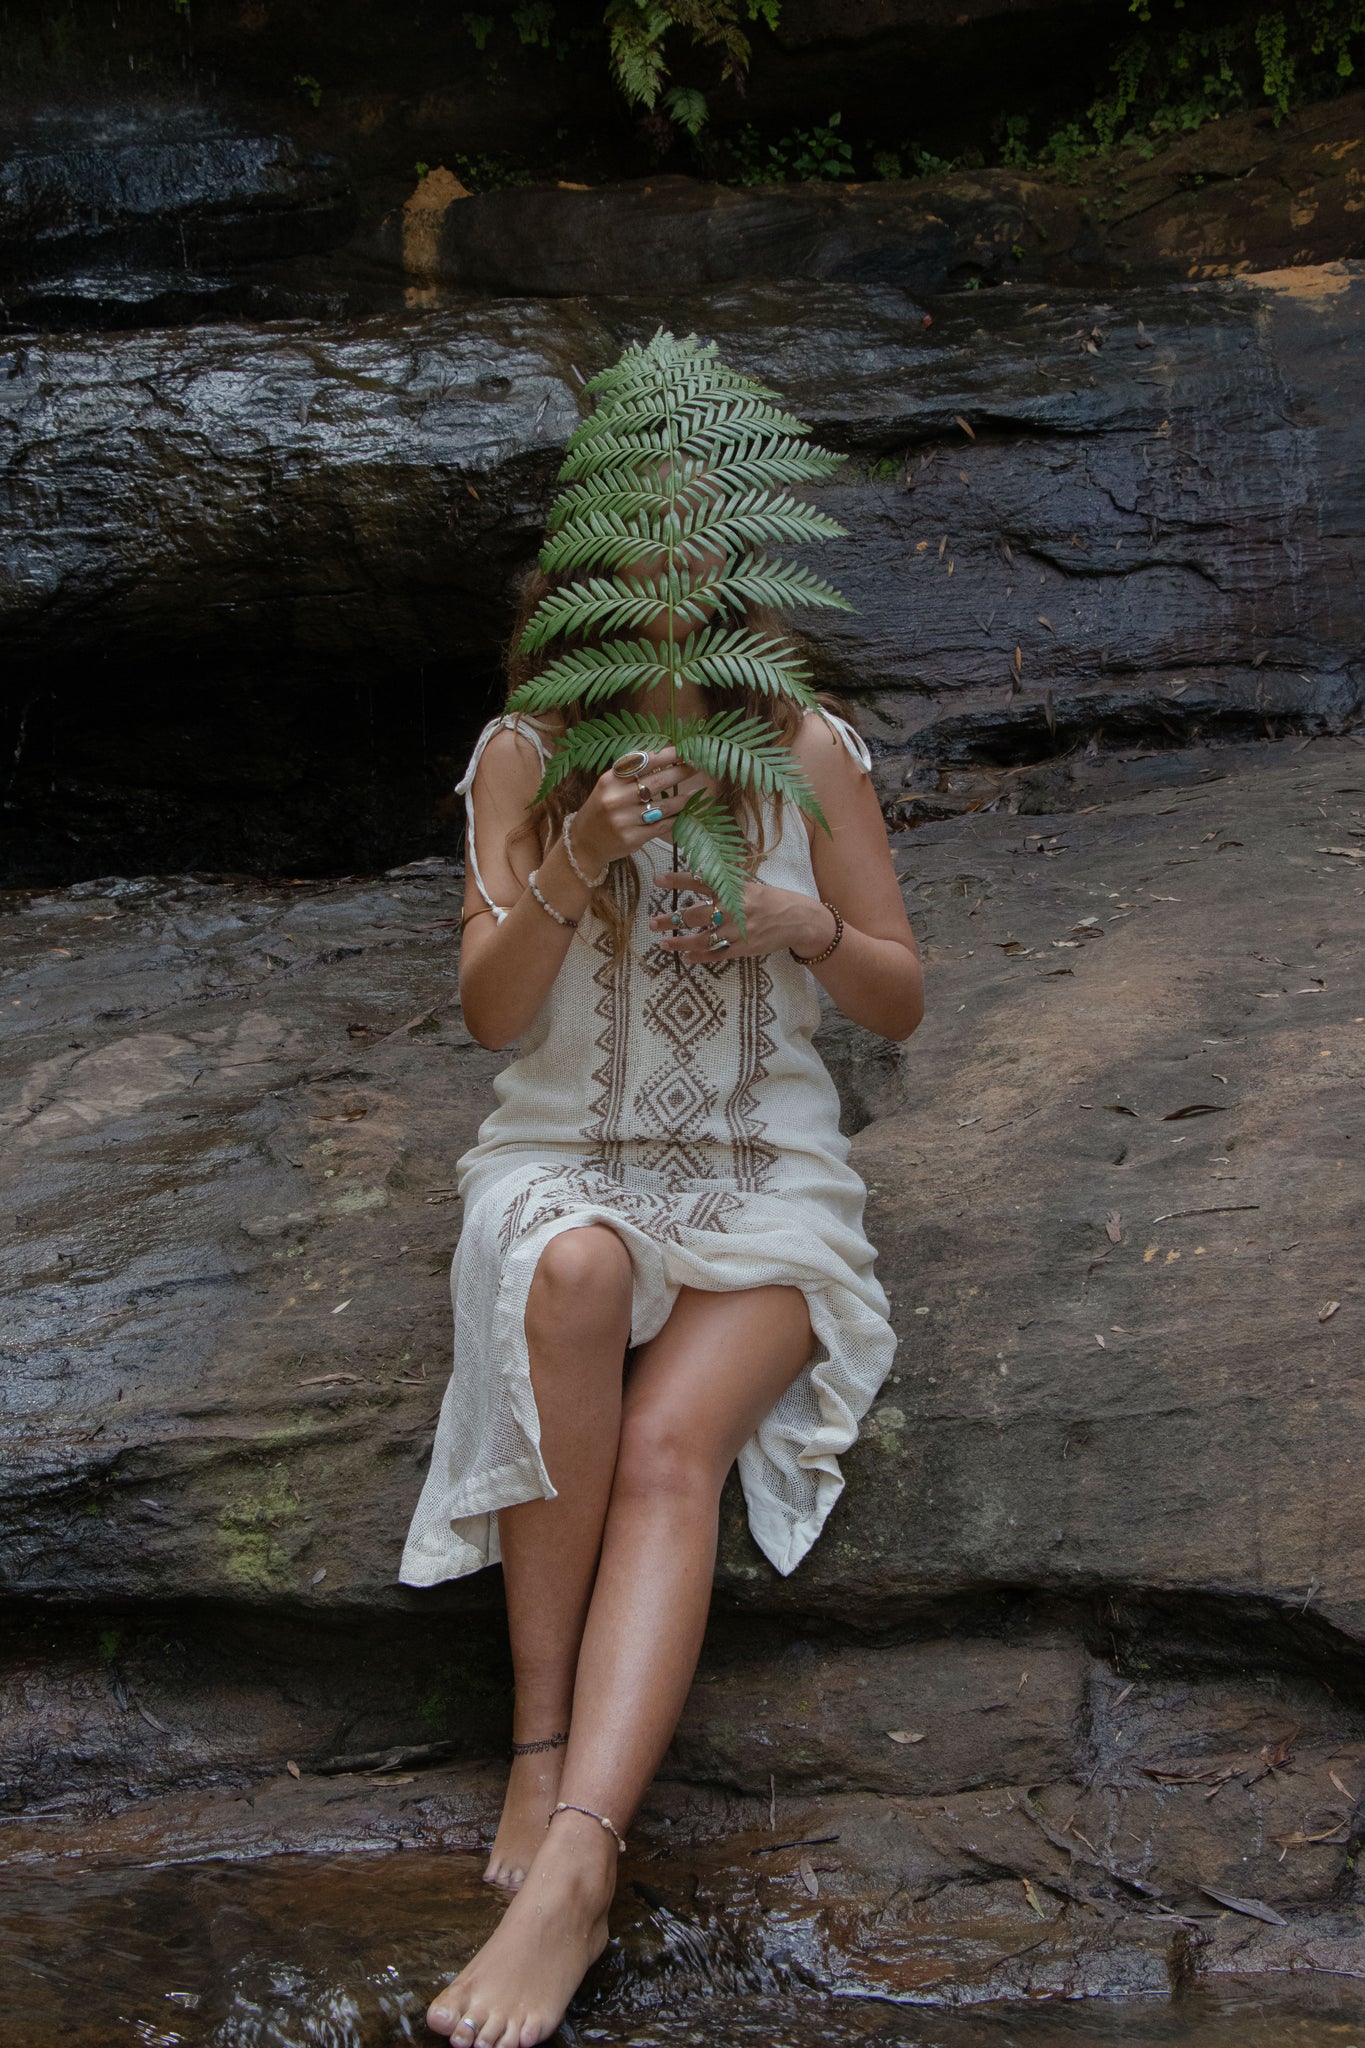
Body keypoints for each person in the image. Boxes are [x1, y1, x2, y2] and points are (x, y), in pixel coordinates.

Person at [403, 562, 923, 2048]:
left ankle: (580, 1861)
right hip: (564, 1151)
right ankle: (538, 1741)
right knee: (569, 1270)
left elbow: (899, 996)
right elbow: (490, 1014)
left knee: (668, 1446)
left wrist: (803, 926)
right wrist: (572, 859)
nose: (666, 610)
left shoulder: (804, 748)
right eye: (632, 582)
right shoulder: (526, 752)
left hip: (763, 1168)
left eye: (695, 578)